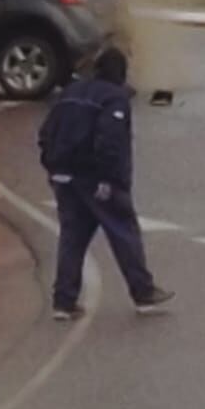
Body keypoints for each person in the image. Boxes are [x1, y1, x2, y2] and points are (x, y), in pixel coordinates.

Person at [39, 47, 175, 320]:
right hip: (96, 179)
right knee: (123, 232)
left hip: (63, 177)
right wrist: (111, 179)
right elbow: (110, 142)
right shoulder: (114, 99)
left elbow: (45, 133)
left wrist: (53, 169)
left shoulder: (70, 92)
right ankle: (143, 293)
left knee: (72, 238)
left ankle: (63, 302)